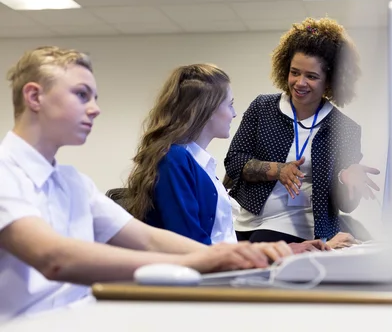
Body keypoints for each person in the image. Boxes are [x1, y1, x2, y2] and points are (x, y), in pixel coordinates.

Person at [0, 47, 292, 322]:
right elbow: (55, 258)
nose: (95, 109)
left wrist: (227, 255)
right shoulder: (5, 174)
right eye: (81, 95)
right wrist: (194, 262)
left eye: (94, 98)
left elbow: (147, 239)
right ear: (34, 97)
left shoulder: (73, 182)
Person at [126, 63, 326, 253]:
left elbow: (217, 242)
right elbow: (191, 246)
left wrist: (283, 249)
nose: (234, 114)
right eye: (230, 105)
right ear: (206, 109)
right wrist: (265, 254)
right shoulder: (175, 160)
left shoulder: (198, 164)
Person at [225, 17, 380, 247]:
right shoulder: (262, 108)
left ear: (330, 81)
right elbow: (234, 162)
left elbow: (346, 206)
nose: (300, 82)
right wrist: (278, 170)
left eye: (312, 76)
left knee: (264, 246)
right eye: (295, 72)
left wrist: (346, 181)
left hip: (303, 228)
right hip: (245, 221)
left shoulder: (345, 129)